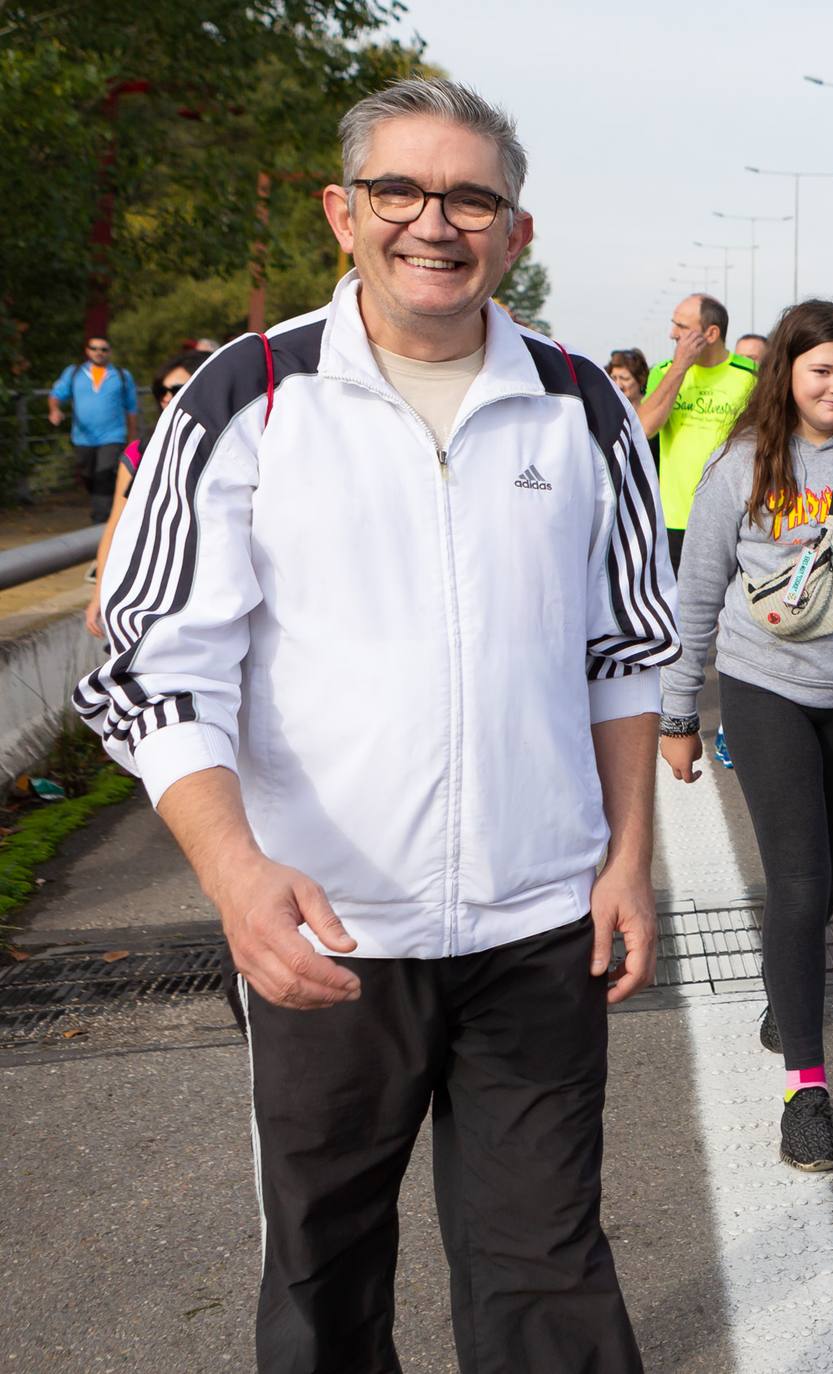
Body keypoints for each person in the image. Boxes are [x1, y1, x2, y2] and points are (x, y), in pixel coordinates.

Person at [76, 77, 669, 1371]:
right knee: (326, 1270)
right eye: (400, 190)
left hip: (538, 925)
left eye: (470, 196)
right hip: (325, 933)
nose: (433, 222)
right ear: (345, 213)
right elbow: (152, 665)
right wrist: (237, 879)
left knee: (548, 1275)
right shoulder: (248, 395)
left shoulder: (587, 407)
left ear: (516, 232)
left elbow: (622, 652)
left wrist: (626, 860)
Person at [659, 300, 833, 1169]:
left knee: (830, 878)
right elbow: (697, 595)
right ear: (787, 371)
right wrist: (677, 713)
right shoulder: (741, 464)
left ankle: (791, 985)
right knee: (799, 875)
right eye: (822, 370)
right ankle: (806, 1087)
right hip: (763, 688)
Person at [84, 350, 210, 634]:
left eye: (176, 389)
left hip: (208, 585)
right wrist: (99, 594)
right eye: (160, 390)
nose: (166, 396)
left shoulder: (231, 448)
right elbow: (116, 524)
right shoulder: (139, 452)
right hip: (150, 586)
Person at [639, 292, 757, 569]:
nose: (672, 333)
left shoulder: (751, 375)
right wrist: (681, 366)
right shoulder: (664, 372)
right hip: (675, 521)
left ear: (711, 333)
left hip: (732, 517)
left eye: (682, 327)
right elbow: (644, 427)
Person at [48, 335, 142, 523]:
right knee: (88, 474)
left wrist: (132, 438)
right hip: (83, 438)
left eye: (103, 349)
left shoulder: (122, 376)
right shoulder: (73, 373)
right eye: (94, 348)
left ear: (110, 352)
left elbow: (131, 409)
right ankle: (103, 504)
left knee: (104, 474)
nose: (99, 352)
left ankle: (101, 519)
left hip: (113, 436)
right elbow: (56, 394)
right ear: (87, 350)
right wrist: (55, 410)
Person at [607, 347, 657, 462]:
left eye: (624, 378)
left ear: (640, 380)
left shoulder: (654, 412)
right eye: (614, 378)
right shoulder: (609, 414)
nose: (618, 385)